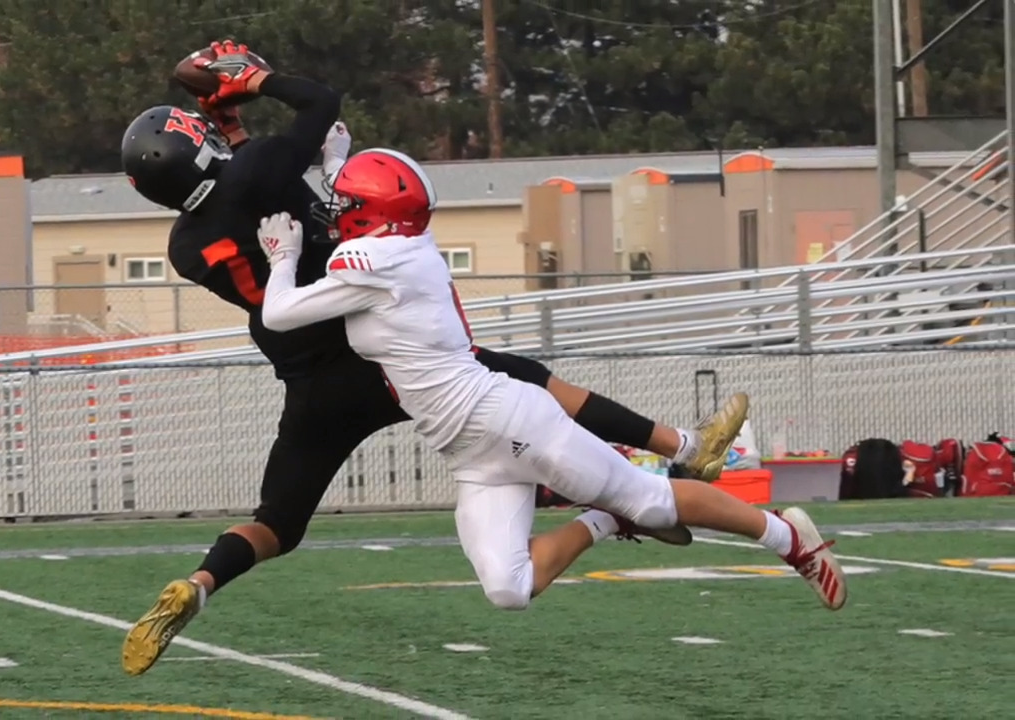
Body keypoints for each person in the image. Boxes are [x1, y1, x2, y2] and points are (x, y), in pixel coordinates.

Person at [118, 40, 748, 676]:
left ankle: (199, 583)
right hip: (379, 353)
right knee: (523, 380)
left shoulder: (186, 246)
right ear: (199, 148)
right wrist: (251, 82)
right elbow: (312, 113)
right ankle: (680, 450)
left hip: (308, 380)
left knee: (277, 521)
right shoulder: (259, 171)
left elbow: (246, 179)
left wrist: (227, 123)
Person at [256, 148, 847, 615]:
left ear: (370, 215)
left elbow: (279, 312)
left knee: (657, 504)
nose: (334, 212)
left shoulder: (380, 263)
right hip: (470, 450)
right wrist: (339, 163)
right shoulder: (401, 248)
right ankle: (604, 517)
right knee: (508, 590)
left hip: (507, 419)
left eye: (345, 202)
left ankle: (788, 539)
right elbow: (370, 221)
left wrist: (283, 258)